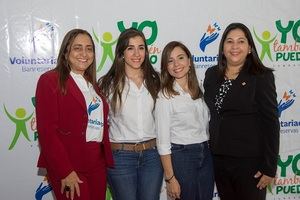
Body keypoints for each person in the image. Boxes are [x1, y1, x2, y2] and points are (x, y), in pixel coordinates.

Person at [203, 22, 280, 200]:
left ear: (250, 48)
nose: (235, 46)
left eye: (241, 41)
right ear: (222, 48)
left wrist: (269, 167)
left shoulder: (261, 76)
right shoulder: (212, 75)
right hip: (219, 160)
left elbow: (271, 123)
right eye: (229, 41)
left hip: (250, 164)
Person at [35, 28, 113, 200]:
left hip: (97, 165)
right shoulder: (50, 80)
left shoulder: (92, 85)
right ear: (66, 52)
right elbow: (47, 132)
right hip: (70, 165)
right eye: (77, 48)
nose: (84, 53)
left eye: (89, 48)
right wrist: (65, 170)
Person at [98, 28, 163, 200]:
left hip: (152, 156)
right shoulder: (107, 84)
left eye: (141, 47)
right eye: (130, 48)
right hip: (120, 158)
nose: (136, 53)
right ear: (121, 52)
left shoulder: (156, 81)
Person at [155, 41, 214, 200]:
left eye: (180, 58)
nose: (176, 64)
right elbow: (163, 142)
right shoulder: (165, 96)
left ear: (189, 61)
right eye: (170, 60)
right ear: (166, 67)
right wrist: (170, 178)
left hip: (206, 153)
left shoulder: (199, 88)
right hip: (182, 156)